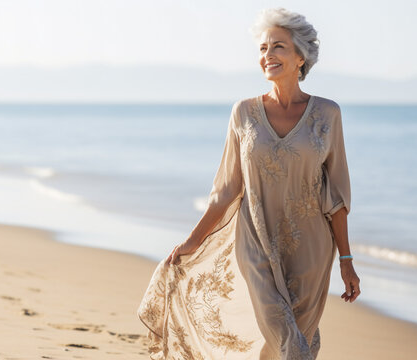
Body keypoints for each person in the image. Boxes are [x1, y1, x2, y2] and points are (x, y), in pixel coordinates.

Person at [137, 7, 360, 359]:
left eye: (278, 47)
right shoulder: (244, 113)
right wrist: (191, 242)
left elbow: (336, 194)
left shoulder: (328, 114)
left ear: (300, 56)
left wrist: (346, 259)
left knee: (288, 342)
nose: (267, 55)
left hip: (312, 251)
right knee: (288, 340)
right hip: (255, 241)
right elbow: (226, 190)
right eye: (262, 48)